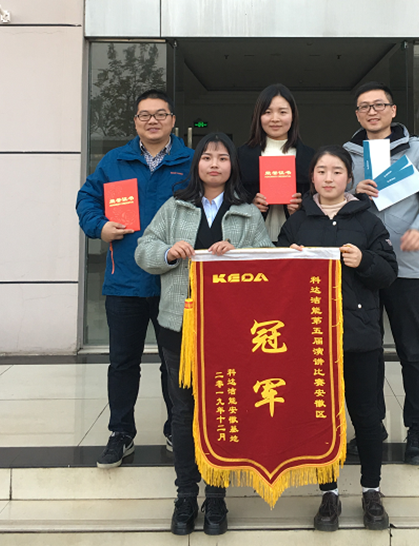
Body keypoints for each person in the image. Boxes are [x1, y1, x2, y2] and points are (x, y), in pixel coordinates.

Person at [135, 132, 273, 537]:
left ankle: (216, 497)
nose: (215, 164)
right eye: (207, 158)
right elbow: (144, 250)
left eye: (223, 158)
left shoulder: (247, 213)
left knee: (222, 408)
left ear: (233, 166)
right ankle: (185, 496)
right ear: (197, 164)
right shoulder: (176, 207)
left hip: (229, 330)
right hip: (179, 326)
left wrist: (239, 256)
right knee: (183, 411)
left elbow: (267, 264)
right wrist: (167, 253)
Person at [277, 145, 397, 532]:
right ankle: (328, 492)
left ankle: (371, 490)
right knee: (322, 417)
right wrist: (289, 260)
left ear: (349, 177)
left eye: (337, 171)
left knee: (367, 415)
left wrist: (364, 260)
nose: (329, 178)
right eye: (321, 171)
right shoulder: (297, 222)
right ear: (311, 177)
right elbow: (275, 279)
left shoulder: (368, 219)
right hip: (312, 339)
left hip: (359, 336)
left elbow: (389, 273)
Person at [76, 89, 192, 468]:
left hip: (175, 282)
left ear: (173, 120)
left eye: (160, 114)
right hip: (125, 280)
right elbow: (86, 199)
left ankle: (177, 428)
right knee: (123, 362)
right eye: (145, 115)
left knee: (175, 363)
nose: (152, 121)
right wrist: (100, 226)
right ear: (136, 122)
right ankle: (121, 432)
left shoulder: (191, 162)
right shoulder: (115, 161)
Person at [343, 81, 419, 466]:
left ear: (392, 110)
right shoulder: (347, 156)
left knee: (411, 349)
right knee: (366, 352)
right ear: (357, 115)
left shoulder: (417, 151)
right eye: (364, 107)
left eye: (379, 105)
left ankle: (417, 430)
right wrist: (352, 192)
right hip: (363, 267)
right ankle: (372, 427)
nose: (372, 112)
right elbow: (330, 199)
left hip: (405, 266)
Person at [237, 84, 315, 242]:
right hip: (252, 239)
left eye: (282, 112)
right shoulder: (241, 155)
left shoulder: (309, 156)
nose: (275, 119)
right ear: (258, 116)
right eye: (267, 112)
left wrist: (302, 207)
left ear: (293, 115)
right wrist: (250, 205)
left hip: (298, 239)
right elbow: (231, 195)